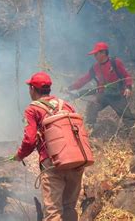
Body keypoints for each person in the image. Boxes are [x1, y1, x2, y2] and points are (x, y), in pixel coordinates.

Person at [10, 71, 83, 221]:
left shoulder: (33, 109)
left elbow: (29, 140)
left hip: (52, 164)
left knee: (53, 212)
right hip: (76, 161)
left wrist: (19, 155)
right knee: (69, 207)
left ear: (32, 89)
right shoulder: (66, 105)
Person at [66, 42, 135, 129]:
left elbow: (126, 76)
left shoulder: (115, 62)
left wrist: (128, 87)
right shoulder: (95, 67)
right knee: (92, 105)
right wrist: (71, 88)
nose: (94, 56)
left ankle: (133, 132)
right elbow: (84, 79)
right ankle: (90, 128)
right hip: (103, 95)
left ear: (103, 53)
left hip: (117, 95)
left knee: (128, 117)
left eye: (96, 54)